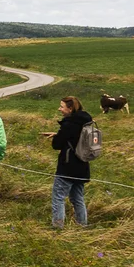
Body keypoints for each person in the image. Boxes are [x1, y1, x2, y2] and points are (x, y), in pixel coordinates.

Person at [42, 96, 92, 228]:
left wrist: (57, 137)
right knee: (77, 198)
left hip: (68, 165)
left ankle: (57, 226)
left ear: (70, 109)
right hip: (82, 165)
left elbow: (57, 145)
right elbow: (74, 139)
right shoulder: (86, 122)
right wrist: (58, 134)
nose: (59, 109)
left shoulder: (69, 124)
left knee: (58, 196)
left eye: (62, 106)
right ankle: (82, 225)